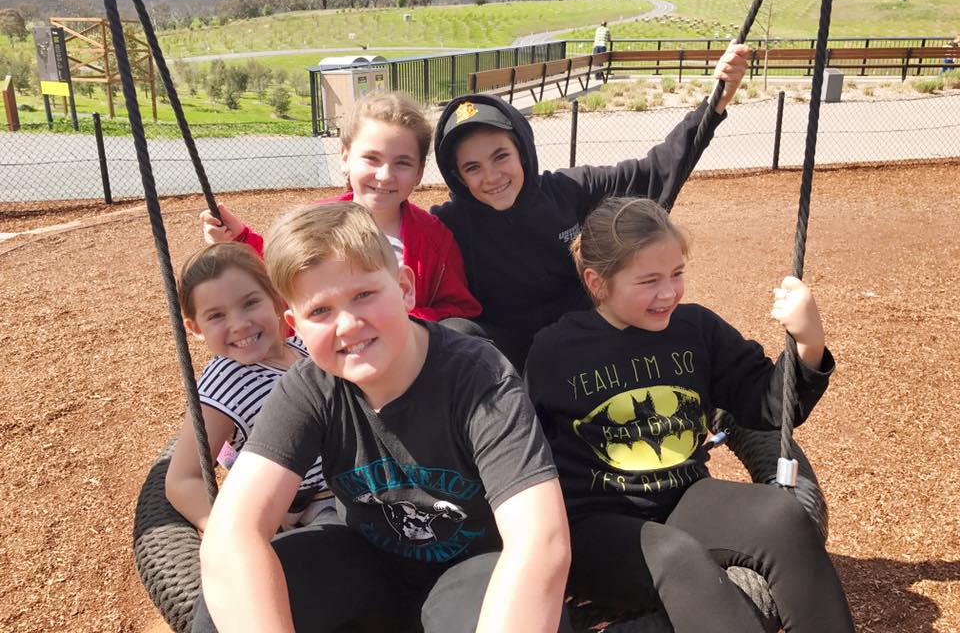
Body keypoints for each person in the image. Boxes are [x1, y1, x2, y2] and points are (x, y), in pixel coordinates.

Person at [192, 202, 572, 633]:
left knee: (536, 606)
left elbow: (541, 541)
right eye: (321, 311)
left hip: (468, 573)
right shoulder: (311, 386)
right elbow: (232, 534)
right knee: (231, 592)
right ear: (294, 324)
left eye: (364, 295)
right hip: (366, 563)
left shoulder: (479, 378)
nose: (349, 324)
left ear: (405, 288)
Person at [524, 197, 855, 633]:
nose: (669, 293)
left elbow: (768, 406)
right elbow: (525, 455)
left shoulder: (696, 330)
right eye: (649, 280)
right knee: (676, 556)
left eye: (677, 274)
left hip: (683, 496)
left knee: (783, 515)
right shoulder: (555, 350)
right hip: (596, 524)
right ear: (597, 282)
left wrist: (808, 343)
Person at [430, 42, 750, 369]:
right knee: (448, 333)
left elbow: (654, 172)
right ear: (457, 177)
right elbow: (388, 234)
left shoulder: (568, 190)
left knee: (683, 324)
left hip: (583, 345)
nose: (491, 176)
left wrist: (715, 104)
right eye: (473, 168)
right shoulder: (446, 225)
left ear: (522, 152)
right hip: (506, 362)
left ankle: (718, 407)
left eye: (501, 157)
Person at [200, 91, 481, 323]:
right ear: (345, 158)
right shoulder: (315, 222)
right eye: (372, 158)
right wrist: (239, 240)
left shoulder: (434, 239)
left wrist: (405, 318)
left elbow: (461, 311)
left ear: (419, 172)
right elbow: (280, 274)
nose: (385, 175)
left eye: (402, 163)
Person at [165, 243, 332, 532]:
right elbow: (182, 479)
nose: (240, 324)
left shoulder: (304, 346)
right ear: (196, 329)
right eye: (216, 316)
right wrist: (235, 536)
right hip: (320, 509)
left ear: (277, 300)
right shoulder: (225, 384)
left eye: (250, 303)